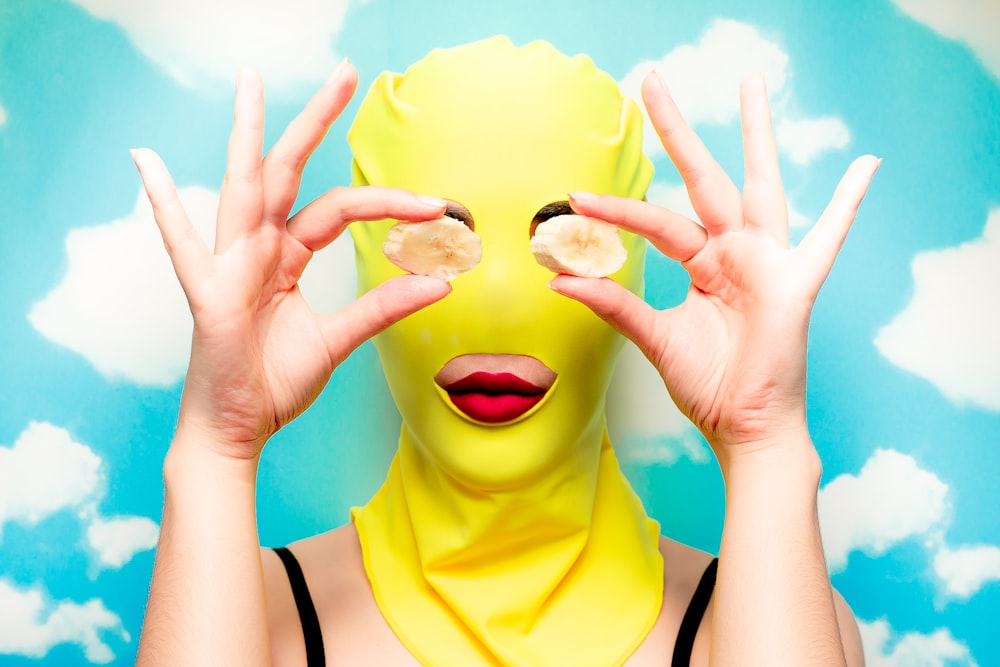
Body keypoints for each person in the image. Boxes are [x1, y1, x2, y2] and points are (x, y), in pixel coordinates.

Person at [132, 36, 878, 666]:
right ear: (361, 259)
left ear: (635, 261)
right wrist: (216, 443)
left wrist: (765, 439)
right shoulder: (250, 620)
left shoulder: (775, 621)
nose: (495, 303)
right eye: (440, 238)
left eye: (560, 235)